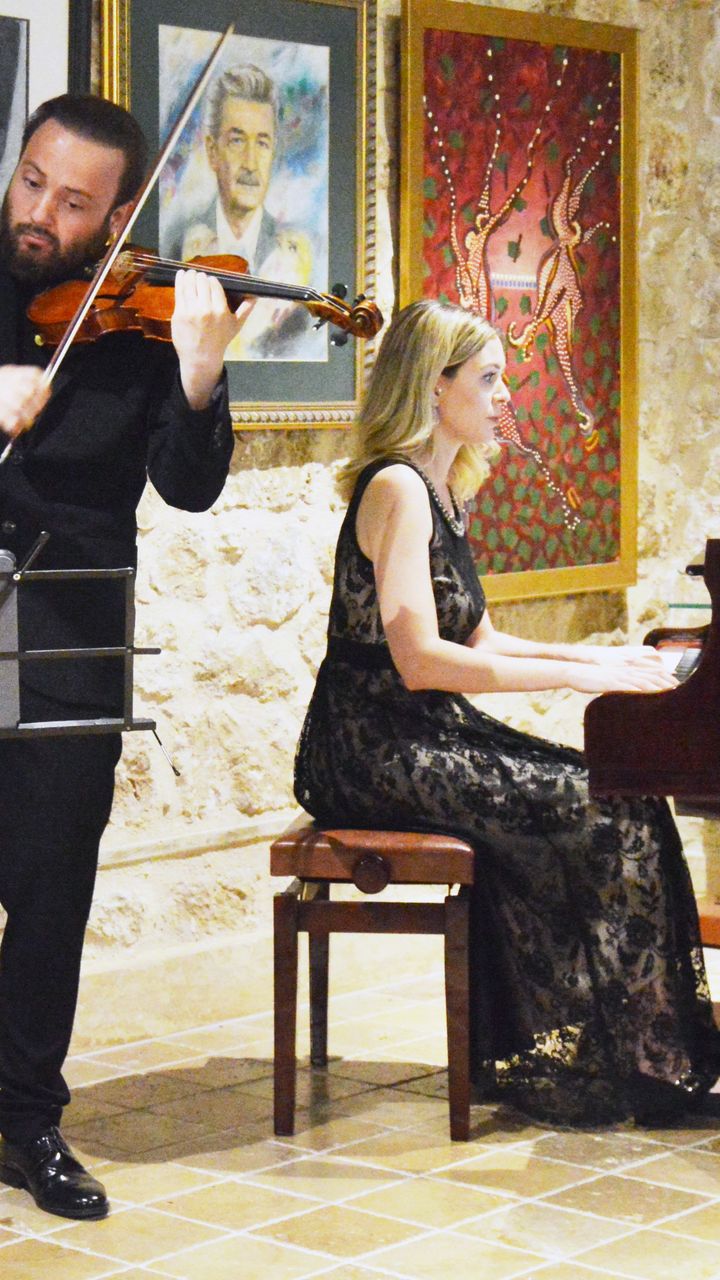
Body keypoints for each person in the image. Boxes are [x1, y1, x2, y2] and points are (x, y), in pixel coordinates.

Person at [294, 298, 720, 1127]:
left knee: (620, 791)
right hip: (371, 747)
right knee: (598, 806)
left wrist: (596, 661)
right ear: (435, 384)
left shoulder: (443, 489)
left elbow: (482, 637)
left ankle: (650, 1044)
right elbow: (422, 663)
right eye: (488, 379)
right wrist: (573, 681)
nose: (503, 396)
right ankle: (638, 1055)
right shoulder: (397, 488)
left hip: (420, 731)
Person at [0, 94, 252, 1220]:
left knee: (52, 887)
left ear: (115, 221)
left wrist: (198, 373)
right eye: (31, 182)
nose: (40, 214)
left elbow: (187, 485)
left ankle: (25, 1118)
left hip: (69, 630)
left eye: (73, 204)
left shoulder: (146, 321)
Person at [164, 63, 316, 360]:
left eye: (262, 143)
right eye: (237, 141)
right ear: (212, 151)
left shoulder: (297, 256)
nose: (250, 163)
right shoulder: (177, 244)